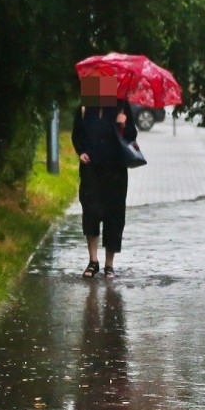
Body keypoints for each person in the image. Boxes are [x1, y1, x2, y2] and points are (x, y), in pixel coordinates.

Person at [71, 75, 137, 279]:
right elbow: (77, 134)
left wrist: (123, 125)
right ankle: (93, 261)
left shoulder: (121, 106)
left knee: (114, 215)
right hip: (91, 169)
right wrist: (80, 151)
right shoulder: (85, 108)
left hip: (115, 170)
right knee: (90, 212)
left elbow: (131, 137)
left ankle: (109, 264)